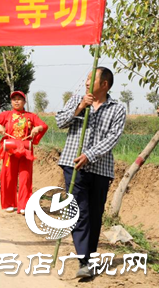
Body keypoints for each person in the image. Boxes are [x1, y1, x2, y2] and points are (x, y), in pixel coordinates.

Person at [55, 67, 126, 278]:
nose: (86, 83)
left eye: (90, 79)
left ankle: (88, 256)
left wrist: (89, 155)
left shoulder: (118, 108)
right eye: (86, 79)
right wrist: (79, 107)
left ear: (104, 84)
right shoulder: (77, 99)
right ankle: (84, 260)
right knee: (79, 211)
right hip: (73, 164)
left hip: (100, 169)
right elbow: (60, 122)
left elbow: (113, 138)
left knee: (95, 214)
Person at [0, 91, 48, 213]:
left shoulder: (31, 116)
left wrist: (38, 128)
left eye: (19, 99)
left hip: (25, 150)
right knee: (8, 177)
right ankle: (9, 203)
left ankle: (24, 205)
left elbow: (44, 125)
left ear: (24, 102)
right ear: (11, 102)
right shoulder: (6, 115)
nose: (16, 101)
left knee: (25, 178)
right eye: (14, 99)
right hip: (10, 150)